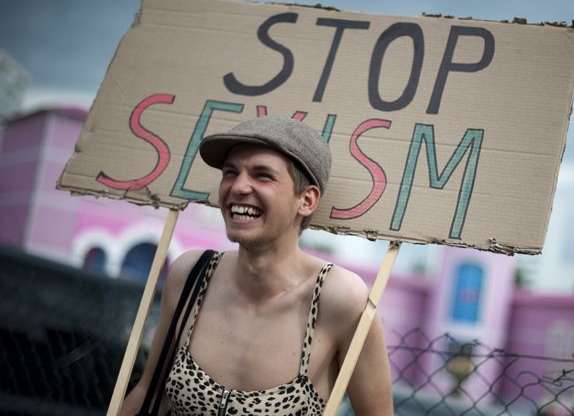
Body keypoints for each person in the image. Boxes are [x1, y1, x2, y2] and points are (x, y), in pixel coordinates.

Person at [121, 116, 393, 415]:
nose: (238, 186)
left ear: (306, 200)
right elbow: (150, 392)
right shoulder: (191, 274)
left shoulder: (339, 299)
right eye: (230, 172)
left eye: (262, 176)